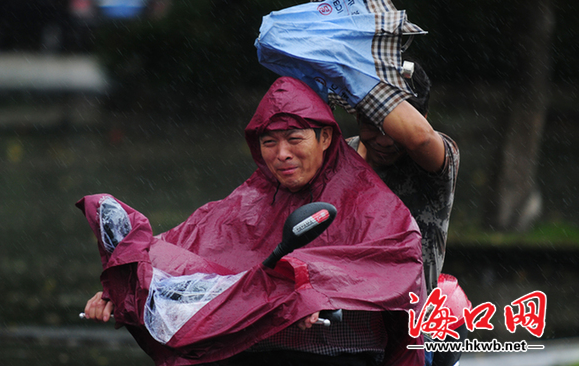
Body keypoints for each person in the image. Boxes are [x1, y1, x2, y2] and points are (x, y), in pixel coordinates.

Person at [80, 76, 426, 366]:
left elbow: (394, 268)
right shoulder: (247, 200)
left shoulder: (372, 202)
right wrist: (122, 286)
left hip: (338, 354)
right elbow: (176, 250)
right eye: (269, 142)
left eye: (294, 139)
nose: (282, 154)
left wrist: (318, 291)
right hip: (252, 352)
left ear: (325, 138)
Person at [346, 60, 468, 366]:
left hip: (413, 331)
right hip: (347, 327)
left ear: (423, 119)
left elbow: (418, 138)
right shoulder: (340, 158)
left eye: (393, 128)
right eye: (372, 124)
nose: (384, 139)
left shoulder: (438, 159)